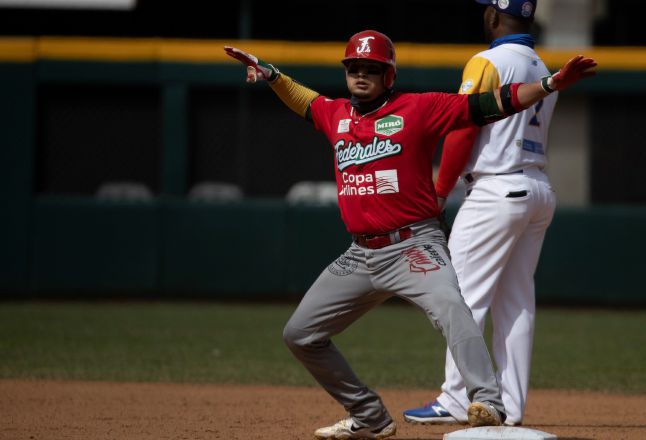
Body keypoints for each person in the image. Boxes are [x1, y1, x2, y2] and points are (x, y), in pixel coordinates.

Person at [224, 29, 594, 440]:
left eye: (372, 69)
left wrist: (549, 85)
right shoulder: (337, 115)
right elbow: (304, 99)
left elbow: (489, 104)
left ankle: (488, 401)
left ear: (390, 75)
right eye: (354, 68)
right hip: (360, 255)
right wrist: (273, 75)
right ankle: (369, 415)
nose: (361, 75)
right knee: (300, 335)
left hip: (414, 245)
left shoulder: (418, 108)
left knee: (454, 308)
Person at [403, 0, 559, 428]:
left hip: (495, 189)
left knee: (460, 296)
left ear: (493, 16)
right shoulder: (546, 68)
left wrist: (438, 191)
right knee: (517, 303)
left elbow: (462, 126)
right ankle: (510, 406)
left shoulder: (488, 61)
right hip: (538, 188)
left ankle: (457, 398)